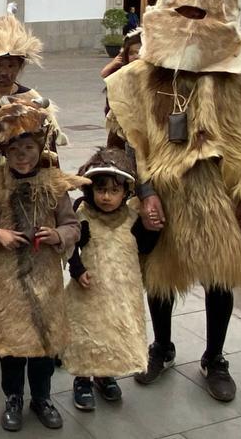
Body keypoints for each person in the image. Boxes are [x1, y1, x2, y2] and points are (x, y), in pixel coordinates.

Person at [105, 0, 241, 403]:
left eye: (199, 13)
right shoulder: (140, 76)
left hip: (221, 193)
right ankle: (162, 347)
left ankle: (215, 357)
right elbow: (131, 141)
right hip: (163, 192)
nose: (189, 22)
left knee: (220, 277)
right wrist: (146, 192)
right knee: (159, 275)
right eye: (181, 11)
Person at [0, 102, 83, 431]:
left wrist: (58, 235)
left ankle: (42, 397)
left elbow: (73, 226)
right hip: (7, 283)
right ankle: (13, 397)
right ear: (5, 151)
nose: (23, 156)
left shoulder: (54, 185)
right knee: (12, 349)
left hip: (46, 280)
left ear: (41, 148)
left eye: (29, 148)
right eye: (15, 150)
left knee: (44, 346)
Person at [64, 147, 153, 412]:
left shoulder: (133, 219)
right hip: (88, 289)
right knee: (87, 332)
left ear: (125, 192)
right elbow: (71, 246)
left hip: (120, 290)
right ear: (90, 189)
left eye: (114, 191)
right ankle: (82, 379)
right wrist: (77, 270)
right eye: (100, 189)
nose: (106, 196)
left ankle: (104, 375)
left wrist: (154, 228)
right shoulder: (82, 215)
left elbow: (146, 246)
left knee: (111, 332)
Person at [0, 9, 68, 168]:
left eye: (11, 65)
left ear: (19, 67)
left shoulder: (31, 98)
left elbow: (49, 153)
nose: (4, 72)